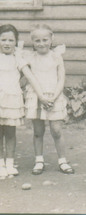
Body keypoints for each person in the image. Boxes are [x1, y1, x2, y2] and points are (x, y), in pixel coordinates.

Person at [24, 24, 74, 175]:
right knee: (38, 131)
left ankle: (62, 161)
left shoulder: (56, 56)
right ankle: (39, 160)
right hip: (37, 96)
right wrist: (41, 97)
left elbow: (61, 78)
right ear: (32, 42)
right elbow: (31, 79)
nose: (41, 43)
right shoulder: (30, 57)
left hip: (54, 96)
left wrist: (55, 95)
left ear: (52, 39)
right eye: (37, 40)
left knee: (56, 130)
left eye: (45, 39)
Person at [0, 24, 46, 178]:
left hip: (12, 100)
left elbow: (31, 76)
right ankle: (0, 164)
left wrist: (41, 95)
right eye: (3, 39)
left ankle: (10, 163)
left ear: (16, 42)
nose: (6, 43)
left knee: (10, 132)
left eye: (10, 40)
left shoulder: (17, 58)